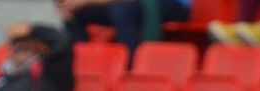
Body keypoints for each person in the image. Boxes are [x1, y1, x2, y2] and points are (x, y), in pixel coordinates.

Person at [56, 0, 191, 50]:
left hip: (172, 5)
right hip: (123, 5)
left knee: (123, 11)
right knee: (76, 13)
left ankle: (128, 69)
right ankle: (78, 63)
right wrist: (65, 6)